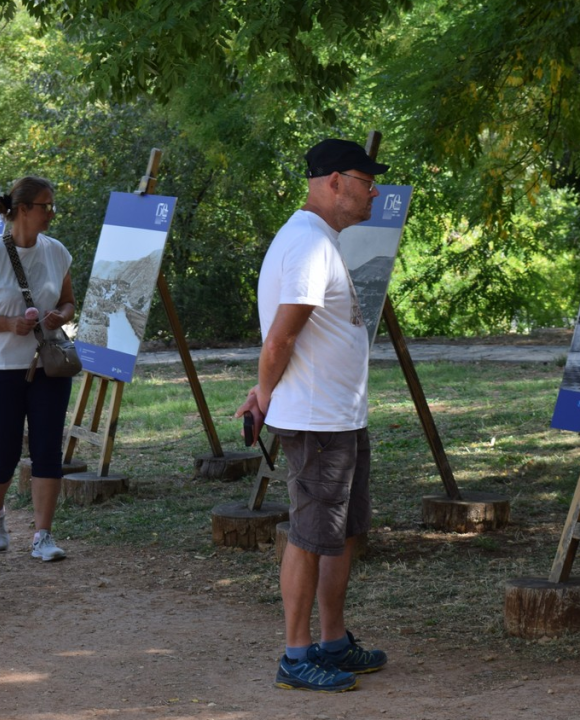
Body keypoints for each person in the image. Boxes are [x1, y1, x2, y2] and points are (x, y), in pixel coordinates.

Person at [235, 138, 389, 693]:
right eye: (365, 180)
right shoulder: (307, 243)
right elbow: (280, 339)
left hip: (337, 418)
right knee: (307, 535)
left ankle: (331, 642)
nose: (374, 191)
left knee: (340, 534)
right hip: (318, 422)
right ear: (333, 182)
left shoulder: (318, 239)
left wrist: (262, 393)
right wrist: (266, 393)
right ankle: (296, 655)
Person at [0, 177, 77, 563]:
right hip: (0, 367)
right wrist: (8, 324)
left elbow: (69, 302)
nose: (51, 213)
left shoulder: (57, 251)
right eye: (45, 206)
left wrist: (58, 315)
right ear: (21, 209)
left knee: (48, 449)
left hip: (48, 364)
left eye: (52, 205)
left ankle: (42, 535)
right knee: (1, 453)